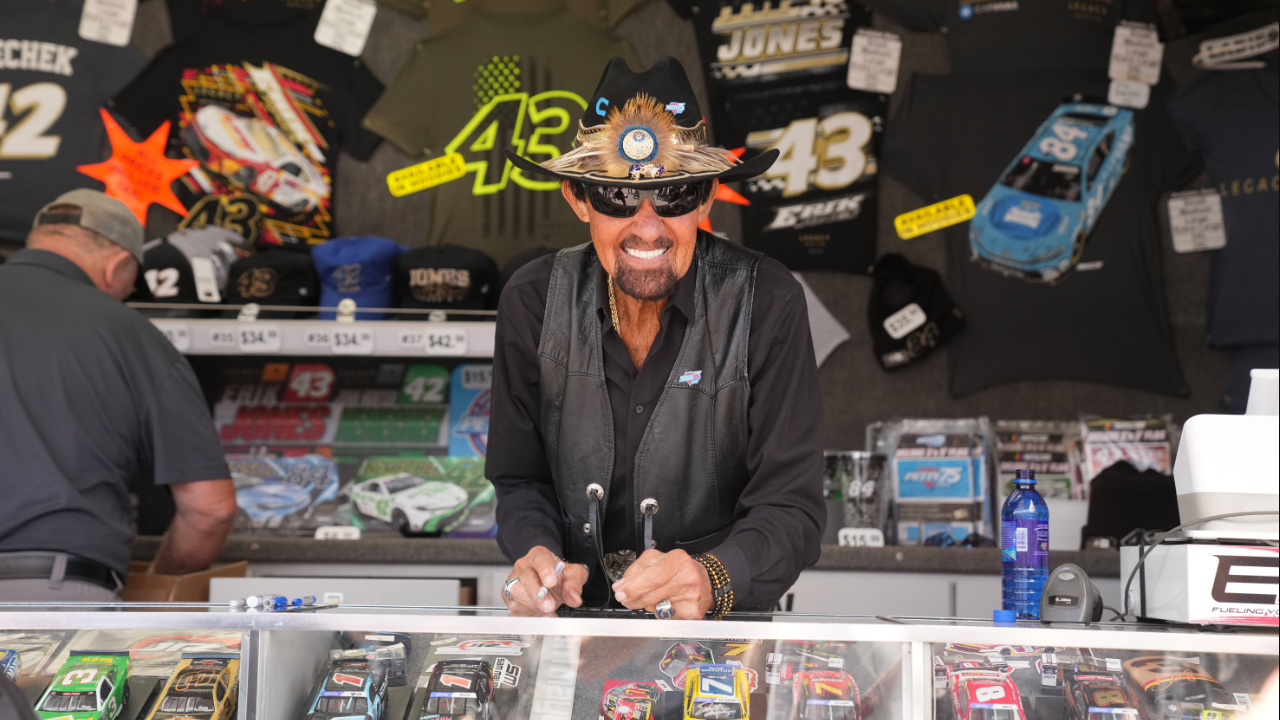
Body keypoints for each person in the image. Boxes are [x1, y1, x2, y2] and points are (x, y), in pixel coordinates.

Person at [488, 57, 825, 619]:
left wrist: (713, 578)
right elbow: (519, 478)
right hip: (571, 639)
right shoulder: (532, 301)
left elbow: (792, 509)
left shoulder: (767, 299)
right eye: (617, 198)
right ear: (577, 198)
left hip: (722, 643)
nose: (647, 226)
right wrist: (536, 554)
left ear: (707, 197)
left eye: (674, 195)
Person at [0, 190, 236, 601]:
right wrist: (162, 580)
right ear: (119, 265)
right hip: (51, 594)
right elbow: (210, 509)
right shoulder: (130, 333)